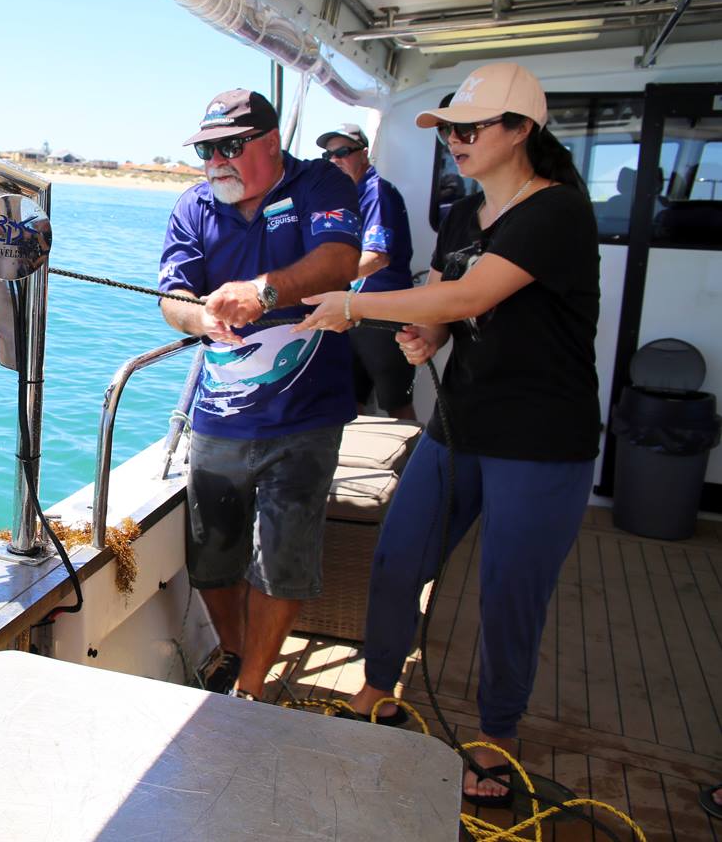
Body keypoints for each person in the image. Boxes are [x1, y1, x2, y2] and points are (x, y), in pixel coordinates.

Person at [294, 62, 601, 808]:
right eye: (448, 131)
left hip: (544, 442)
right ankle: (377, 692)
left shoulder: (557, 211)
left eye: (470, 129)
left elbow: (475, 291)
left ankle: (497, 739)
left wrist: (357, 306)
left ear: (522, 131)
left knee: (508, 597)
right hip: (459, 425)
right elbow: (448, 295)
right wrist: (428, 331)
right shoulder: (465, 213)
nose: (455, 142)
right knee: (397, 561)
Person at [158, 89, 361, 703]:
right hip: (219, 417)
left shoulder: (321, 185)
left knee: (285, 557)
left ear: (270, 144)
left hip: (307, 417)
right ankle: (240, 650)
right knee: (213, 559)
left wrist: (264, 292)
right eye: (205, 150)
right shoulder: (192, 206)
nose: (214, 161)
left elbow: (339, 261)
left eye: (228, 147)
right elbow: (172, 297)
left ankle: (252, 683)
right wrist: (199, 320)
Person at [317, 123, 416, 419]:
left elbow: (377, 257)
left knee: (396, 403)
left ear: (364, 154)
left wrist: (319, 284)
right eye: (329, 155)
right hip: (350, 313)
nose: (335, 160)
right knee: (350, 398)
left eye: (343, 152)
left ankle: (412, 465)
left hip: (383, 317)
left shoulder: (378, 193)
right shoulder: (343, 196)